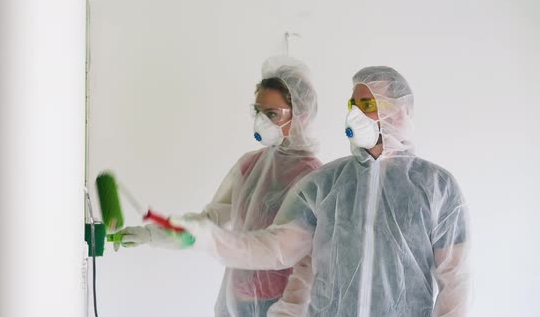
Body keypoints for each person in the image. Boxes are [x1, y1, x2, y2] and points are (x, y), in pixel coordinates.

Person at [174, 66, 471, 317]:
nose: (355, 114)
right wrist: (207, 238)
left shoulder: (436, 187)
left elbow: (455, 281)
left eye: (367, 105)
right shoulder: (326, 183)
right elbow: (275, 249)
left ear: (399, 113)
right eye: (352, 105)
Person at [116, 56, 323, 316]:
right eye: (258, 111)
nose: (262, 121)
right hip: (238, 299)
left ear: (301, 116)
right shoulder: (250, 165)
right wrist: (152, 234)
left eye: (272, 114)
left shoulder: (313, 176)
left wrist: (289, 310)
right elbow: (211, 219)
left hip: (280, 303)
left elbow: (293, 256)